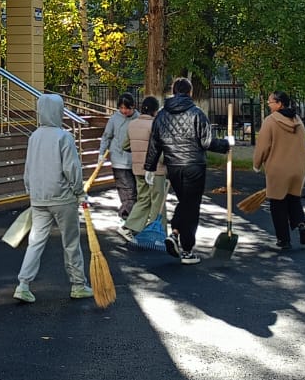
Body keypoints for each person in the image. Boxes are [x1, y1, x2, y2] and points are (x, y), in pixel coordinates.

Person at [143, 77, 234, 263]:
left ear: (173, 91)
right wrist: (226, 144)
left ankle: (176, 234)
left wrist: (149, 167)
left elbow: (154, 143)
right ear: (190, 92)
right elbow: (207, 142)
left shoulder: (161, 115)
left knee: (185, 203)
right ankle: (185, 247)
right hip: (194, 166)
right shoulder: (197, 113)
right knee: (191, 206)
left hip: (173, 166)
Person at [13, 91, 92, 304]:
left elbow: (28, 168)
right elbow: (72, 168)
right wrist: (79, 192)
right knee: (71, 242)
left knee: (36, 241)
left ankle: (23, 284)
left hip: (39, 198)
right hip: (63, 198)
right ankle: (78, 284)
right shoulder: (64, 137)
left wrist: (30, 190)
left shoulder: (34, 137)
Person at [253, 91, 305, 250]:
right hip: (298, 168)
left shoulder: (270, 121)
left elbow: (263, 146)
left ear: (279, 104)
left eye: (270, 102)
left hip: (278, 169)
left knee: (277, 204)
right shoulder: (298, 120)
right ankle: (301, 225)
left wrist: (257, 164)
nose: (268, 104)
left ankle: (283, 240)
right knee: (294, 199)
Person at [122, 95, 168, 236]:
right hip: (155, 169)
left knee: (143, 198)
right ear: (155, 111)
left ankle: (131, 226)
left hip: (138, 168)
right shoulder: (156, 125)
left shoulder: (132, 124)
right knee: (157, 201)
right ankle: (156, 232)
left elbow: (125, 145)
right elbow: (161, 149)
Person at [98, 93, 138, 217]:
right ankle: (126, 216)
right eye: (121, 108)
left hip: (134, 160)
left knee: (135, 191)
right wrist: (101, 153)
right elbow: (107, 136)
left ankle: (131, 217)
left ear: (133, 106)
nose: (124, 111)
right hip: (118, 160)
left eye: (127, 108)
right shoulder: (114, 118)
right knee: (127, 191)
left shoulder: (138, 118)